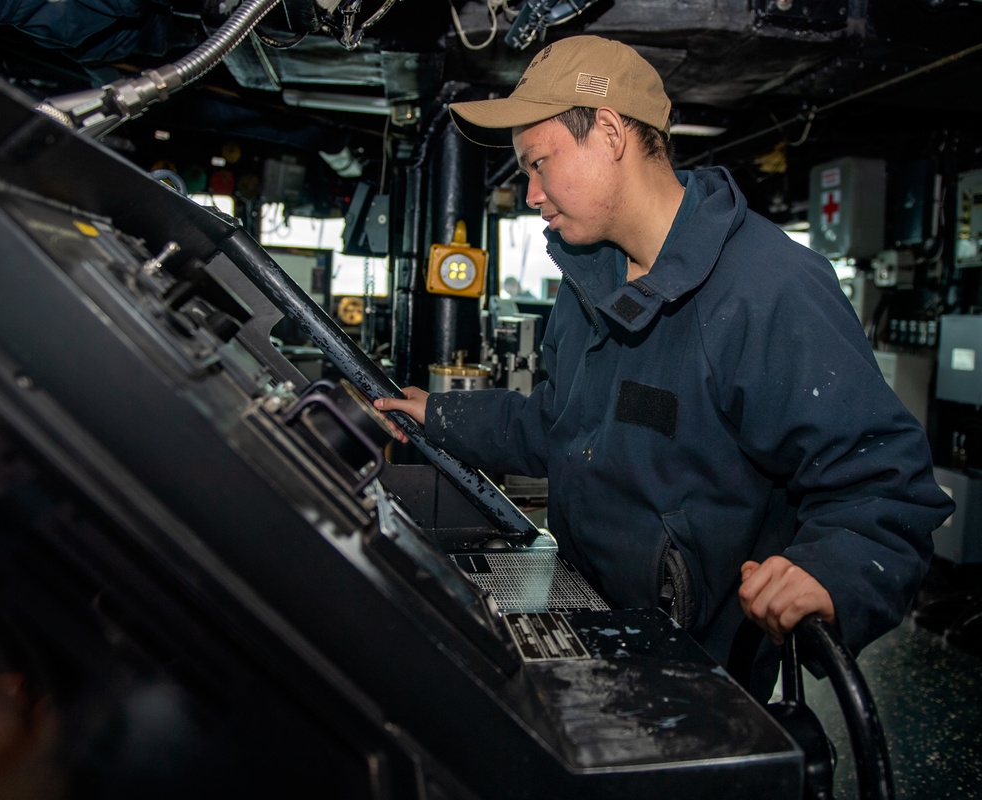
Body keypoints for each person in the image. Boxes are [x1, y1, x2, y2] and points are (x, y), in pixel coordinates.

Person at [374, 35, 954, 696]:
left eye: (539, 164)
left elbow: (887, 488)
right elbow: (557, 427)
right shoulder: (589, 281)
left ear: (612, 133)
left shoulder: (768, 288)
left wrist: (833, 570)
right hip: (593, 623)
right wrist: (437, 414)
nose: (530, 194)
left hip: (701, 675)